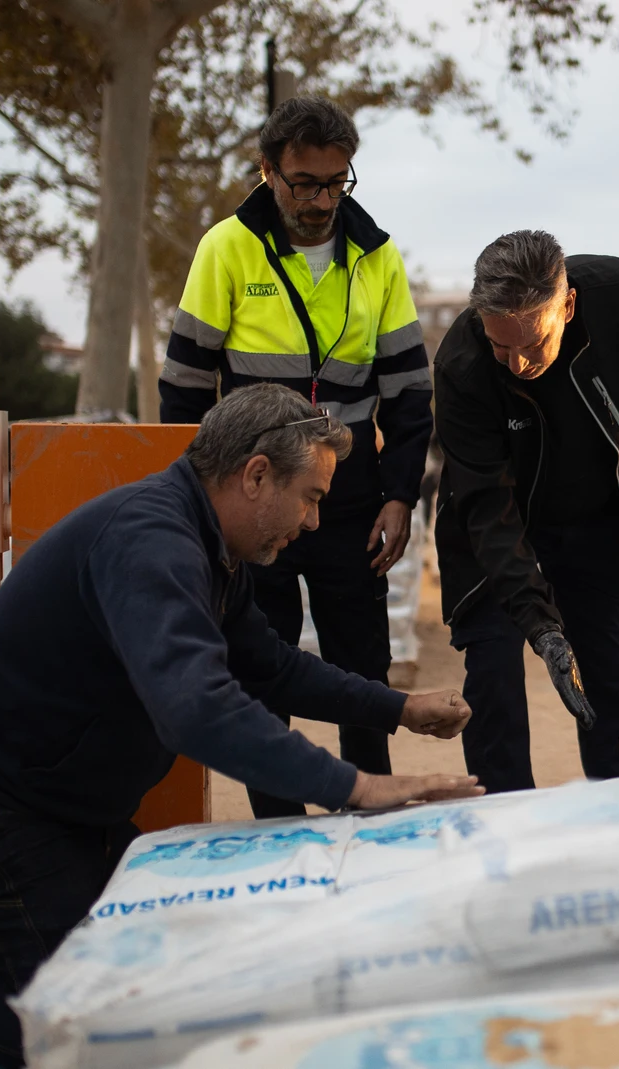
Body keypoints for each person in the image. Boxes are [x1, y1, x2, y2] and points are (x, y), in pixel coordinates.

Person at [0, 386, 480, 1069]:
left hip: (66, 808)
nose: (311, 521)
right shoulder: (152, 541)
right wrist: (354, 786)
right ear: (256, 474)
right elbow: (197, 708)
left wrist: (399, 708)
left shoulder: (211, 548)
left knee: (160, 985)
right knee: (78, 1041)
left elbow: (270, 668)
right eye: (312, 496)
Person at [159, 95, 433, 814]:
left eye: (335, 182)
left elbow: (410, 394)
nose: (319, 199)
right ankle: (277, 829)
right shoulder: (226, 248)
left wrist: (399, 496)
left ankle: (369, 810)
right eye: (302, 183)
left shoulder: (378, 257)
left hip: (351, 497)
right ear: (268, 172)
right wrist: (196, 507)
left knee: (362, 667)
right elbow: (183, 389)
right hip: (250, 499)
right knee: (257, 664)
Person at [432, 230, 619, 790]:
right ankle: (508, 825)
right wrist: (543, 629)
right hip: (494, 531)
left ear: (567, 306)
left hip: (597, 516)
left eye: (533, 344)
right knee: (495, 678)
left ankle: (613, 810)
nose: (517, 363)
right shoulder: (462, 365)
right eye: (502, 347)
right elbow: (487, 509)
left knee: (605, 688)